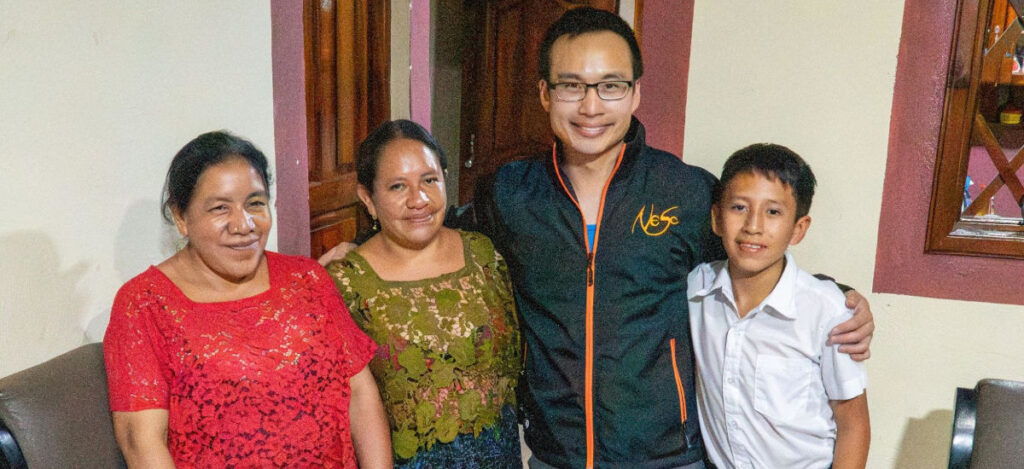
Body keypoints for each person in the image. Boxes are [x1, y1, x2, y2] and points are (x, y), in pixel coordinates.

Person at [321, 8, 875, 469]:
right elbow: (436, 232)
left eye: (610, 86)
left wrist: (835, 294)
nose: (591, 107)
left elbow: (753, 259)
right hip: (553, 456)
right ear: (544, 93)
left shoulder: (684, 192)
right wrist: (362, 247)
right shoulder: (511, 194)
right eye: (572, 86)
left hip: (667, 459)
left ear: (635, 93)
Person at [103, 131, 392, 468]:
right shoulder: (144, 303)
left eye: (255, 203)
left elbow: (360, 394)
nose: (244, 225)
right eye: (219, 208)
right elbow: (141, 441)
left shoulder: (307, 279)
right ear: (181, 217)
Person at [324, 120, 523, 468]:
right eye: (398, 186)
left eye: (430, 180)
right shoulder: (346, 284)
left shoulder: (484, 255)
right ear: (368, 198)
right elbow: (345, 408)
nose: (418, 199)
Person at [688, 144, 870, 469]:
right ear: (716, 218)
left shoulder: (827, 311)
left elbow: (853, 425)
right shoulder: (695, 292)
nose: (753, 226)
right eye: (739, 207)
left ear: (798, 229)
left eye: (773, 212)